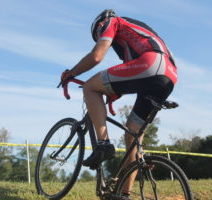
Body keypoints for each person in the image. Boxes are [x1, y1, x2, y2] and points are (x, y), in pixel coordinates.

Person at [61, 9, 177, 198]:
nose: (102, 38)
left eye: (97, 36)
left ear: (100, 25)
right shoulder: (133, 38)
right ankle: (124, 194)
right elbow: (129, 74)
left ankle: (103, 145)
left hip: (152, 63)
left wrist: (71, 73)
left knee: (90, 87)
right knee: (132, 133)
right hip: (169, 75)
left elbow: (97, 56)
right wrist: (115, 92)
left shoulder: (111, 21)